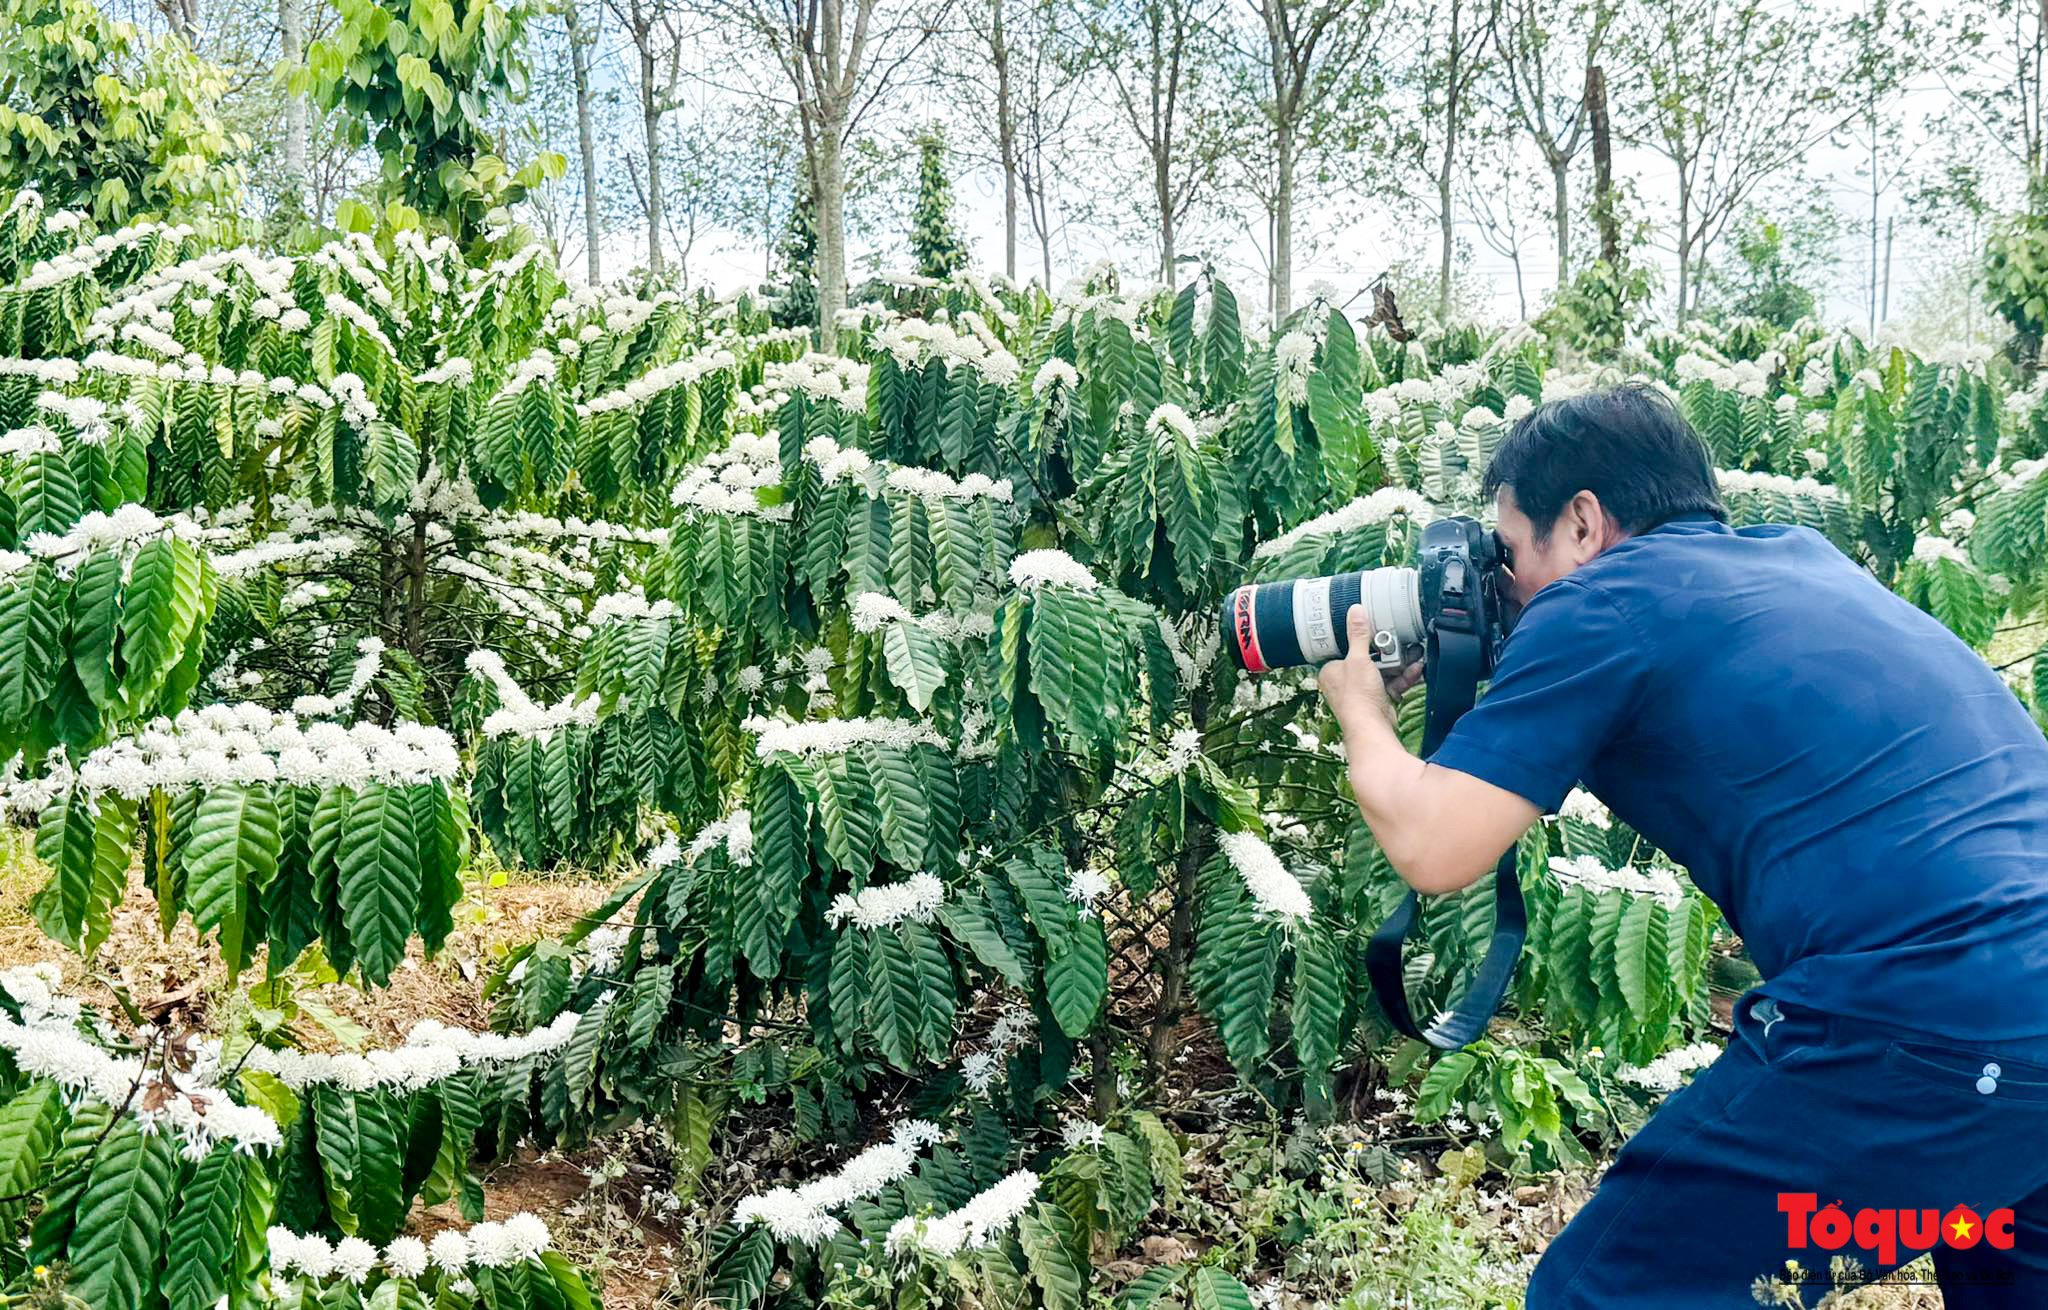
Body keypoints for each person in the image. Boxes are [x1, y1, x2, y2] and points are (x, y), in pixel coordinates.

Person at [1315, 384, 2048, 1307]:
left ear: (1582, 522)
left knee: (1605, 1295)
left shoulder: (1603, 606)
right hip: (2018, 1029)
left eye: (1506, 556)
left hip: (1927, 1020)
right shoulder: (1799, 561)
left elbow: (1431, 844)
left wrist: (1362, 709)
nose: (1502, 591)